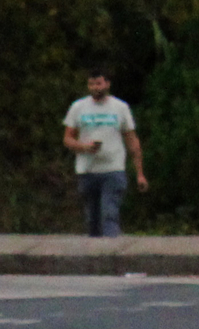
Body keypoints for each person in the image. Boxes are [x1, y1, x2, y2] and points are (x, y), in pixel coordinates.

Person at [63, 68, 147, 237]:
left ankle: (112, 255)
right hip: (87, 170)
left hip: (113, 170)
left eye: (99, 83)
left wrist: (140, 173)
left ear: (107, 84)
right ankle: (95, 256)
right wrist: (84, 147)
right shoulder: (78, 107)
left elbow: (132, 140)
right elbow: (67, 139)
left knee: (109, 214)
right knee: (92, 220)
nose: (95, 87)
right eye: (91, 84)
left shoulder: (120, 107)